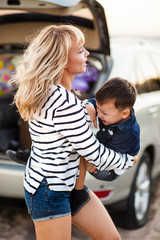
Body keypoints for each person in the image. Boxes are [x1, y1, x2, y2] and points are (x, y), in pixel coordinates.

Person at [9, 24, 135, 240]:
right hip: (50, 191)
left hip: (67, 185)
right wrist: (126, 160)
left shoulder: (54, 93)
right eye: (80, 50)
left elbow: (65, 126)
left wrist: (88, 106)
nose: (87, 54)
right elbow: (95, 154)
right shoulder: (63, 103)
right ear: (62, 61)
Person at [85, 77, 140, 181]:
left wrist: (94, 162)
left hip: (111, 169)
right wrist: (89, 105)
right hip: (105, 147)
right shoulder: (109, 108)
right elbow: (94, 103)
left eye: (104, 113)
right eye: (98, 109)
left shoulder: (128, 133)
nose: (99, 114)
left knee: (82, 150)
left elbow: (109, 157)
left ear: (124, 114)